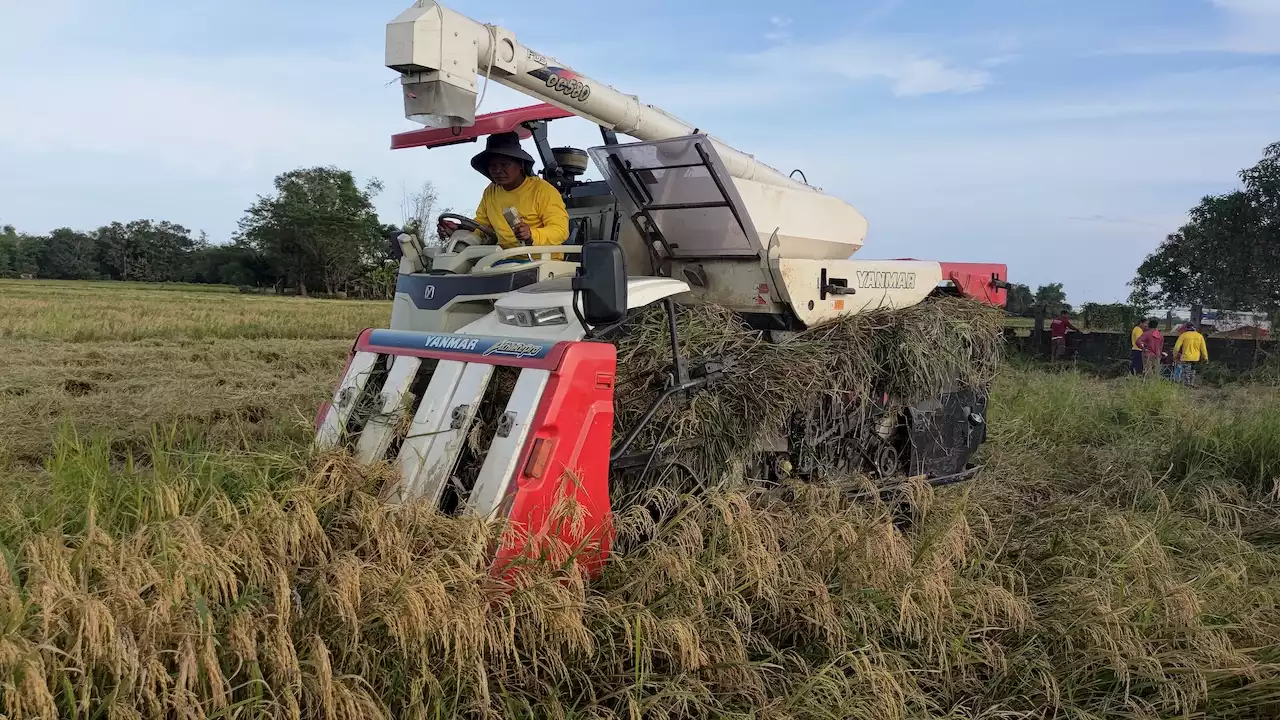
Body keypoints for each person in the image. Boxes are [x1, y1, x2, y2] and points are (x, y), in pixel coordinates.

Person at [437, 131, 569, 261]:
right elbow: (482, 226)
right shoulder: (491, 191)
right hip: (502, 260)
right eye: (493, 166)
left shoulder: (543, 190)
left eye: (504, 164)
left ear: (521, 165)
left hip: (543, 264)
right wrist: (458, 229)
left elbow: (560, 230)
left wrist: (531, 234)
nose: (498, 170)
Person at [1173, 322, 1208, 387]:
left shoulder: (1183, 335)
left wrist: (1175, 355)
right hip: (1195, 358)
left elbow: (1177, 347)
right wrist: (1205, 358)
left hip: (1186, 357)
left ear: (1186, 328)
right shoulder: (1199, 336)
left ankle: (1187, 385)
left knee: (1186, 372)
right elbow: (1203, 348)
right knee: (1193, 371)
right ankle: (1192, 384)